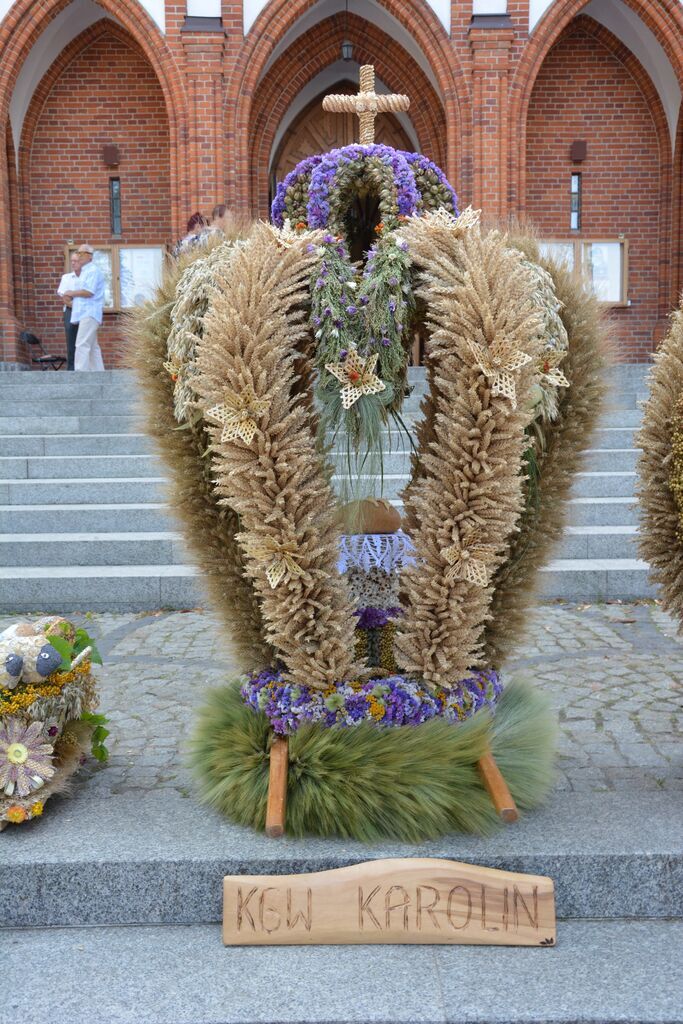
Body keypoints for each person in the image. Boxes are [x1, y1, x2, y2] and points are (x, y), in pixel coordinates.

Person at [62, 244, 105, 371]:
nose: (79, 256)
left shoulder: (93, 271)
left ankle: (80, 373)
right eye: (78, 253)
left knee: (81, 344)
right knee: (92, 347)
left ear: (89, 256)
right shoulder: (86, 271)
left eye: (81, 254)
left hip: (90, 313)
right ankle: (99, 373)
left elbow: (89, 292)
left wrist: (71, 292)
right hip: (85, 314)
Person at [56, 251, 81, 371]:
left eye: (75, 261)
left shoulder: (87, 278)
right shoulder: (66, 278)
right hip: (70, 312)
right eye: (72, 261)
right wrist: (77, 304)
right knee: (71, 341)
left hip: (85, 313)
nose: (73, 263)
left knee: (84, 341)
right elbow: (65, 298)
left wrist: (73, 297)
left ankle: (84, 368)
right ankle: (71, 368)